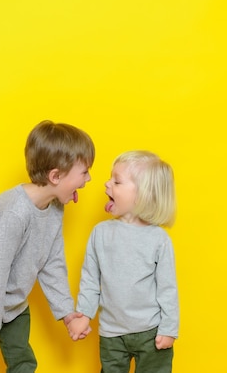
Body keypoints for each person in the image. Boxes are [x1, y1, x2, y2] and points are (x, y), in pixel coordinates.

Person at [0, 120, 95, 372]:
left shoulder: (55, 207)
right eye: (84, 172)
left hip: (13, 294)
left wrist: (66, 313)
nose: (88, 179)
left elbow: (52, 262)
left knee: (22, 360)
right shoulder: (15, 213)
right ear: (56, 176)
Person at [67, 150, 179, 373]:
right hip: (112, 333)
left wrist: (169, 329)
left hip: (152, 332)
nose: (107, 184)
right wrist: (83, 315)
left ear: (142, 194)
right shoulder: (100, 233)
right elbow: (90, 281)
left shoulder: (159, 239)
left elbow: (168, 289)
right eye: (110, 178)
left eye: (117, 181)